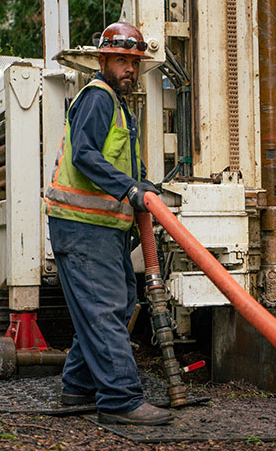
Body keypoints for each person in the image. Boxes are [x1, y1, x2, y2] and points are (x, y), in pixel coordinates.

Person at [43, 22, 170, 425]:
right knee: (104, 308)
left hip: (102, 228)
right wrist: (129, 190)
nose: (129, 69)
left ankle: (78, 385)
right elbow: (84, 154)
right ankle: (120, 399)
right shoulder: (98, 98)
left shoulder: (118, 105)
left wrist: (145, 186)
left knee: (108, 306)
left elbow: (124, 163)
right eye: (121, 60)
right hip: (83, 227)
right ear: (102, 60)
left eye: (134, 62)